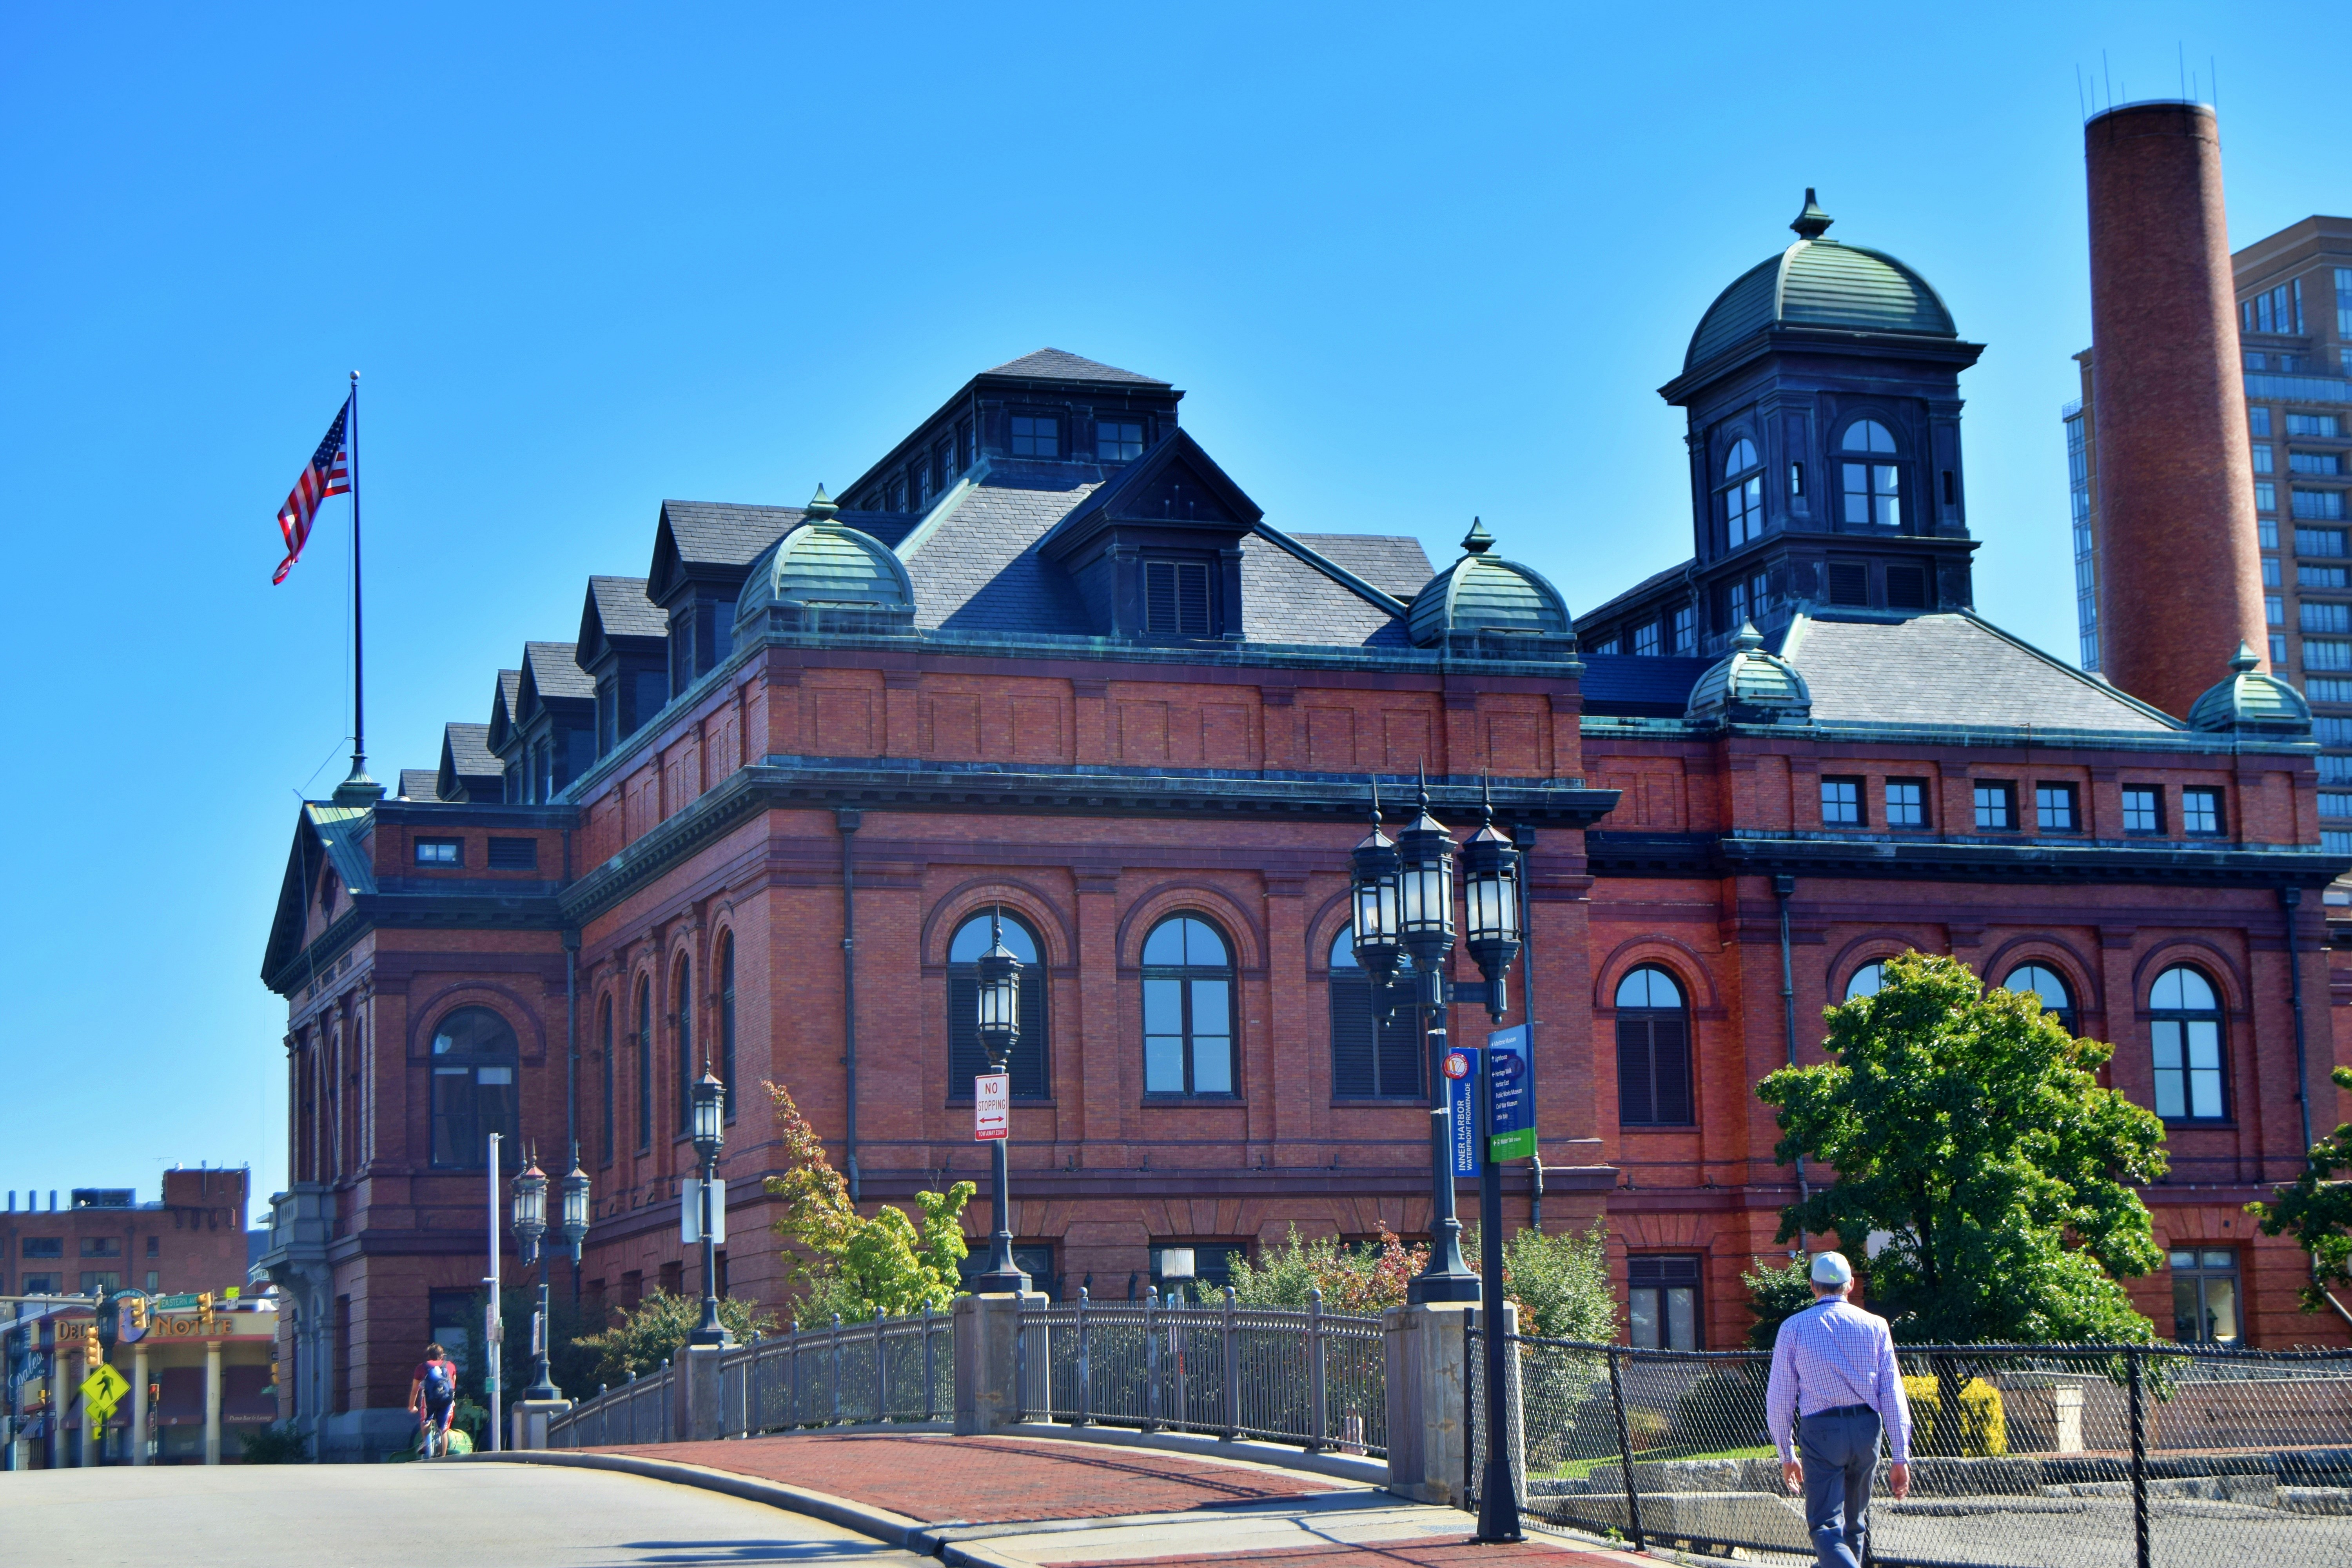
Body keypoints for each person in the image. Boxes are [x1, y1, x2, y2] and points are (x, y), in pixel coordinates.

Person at [1764, 1252, 1911, 1568]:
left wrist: (1786, 1454)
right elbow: (1893, 1394)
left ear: (1812, 1287)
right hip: (1866, 1429)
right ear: (1851, 1285)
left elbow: (1780, 1398)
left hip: (1821, 1431)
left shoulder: (1793, 1328)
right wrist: (1900, 1456)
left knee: (1825, 1525)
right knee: (1854, 1523)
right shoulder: (1877, 1325)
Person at [408, 1342, 460, 1456]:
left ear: (429, 1356)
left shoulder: (422, 1367)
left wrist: (412, 1406)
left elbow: (415, 1390)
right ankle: (443, 1458)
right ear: (442, 1356)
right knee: (444, 1429)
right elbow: (453, 1384)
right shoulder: (451, 1366)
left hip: (430, 1400)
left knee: (425, 1422)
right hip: (447, 1400)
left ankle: (426, 1443)